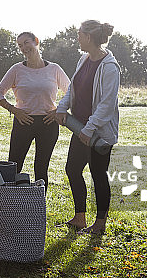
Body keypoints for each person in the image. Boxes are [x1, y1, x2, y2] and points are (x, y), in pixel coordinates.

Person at [48, 20, 120, 236]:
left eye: (79, 34)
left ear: (89, 37)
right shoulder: (83, 59)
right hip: (80, 129)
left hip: (97, 134)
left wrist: (89, 130)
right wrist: (62, 107)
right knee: (72, 169)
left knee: (98, 175)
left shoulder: (110, 67)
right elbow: (73, 89)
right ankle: (79, 218)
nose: (77, 37)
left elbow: (107, 104)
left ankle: (100, 223)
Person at [0, 32, 70, 184]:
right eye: (20, 45)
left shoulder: (54, 69)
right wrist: (14, 110)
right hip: (23, 122)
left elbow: (72, 93)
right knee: (14, 166)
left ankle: (39, 206)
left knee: (41, 168)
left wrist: (58, 110)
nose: (23, 48)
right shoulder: (17, 69)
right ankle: (10, 204)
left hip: (48, 124)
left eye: (26, 43)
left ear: (36, 41)